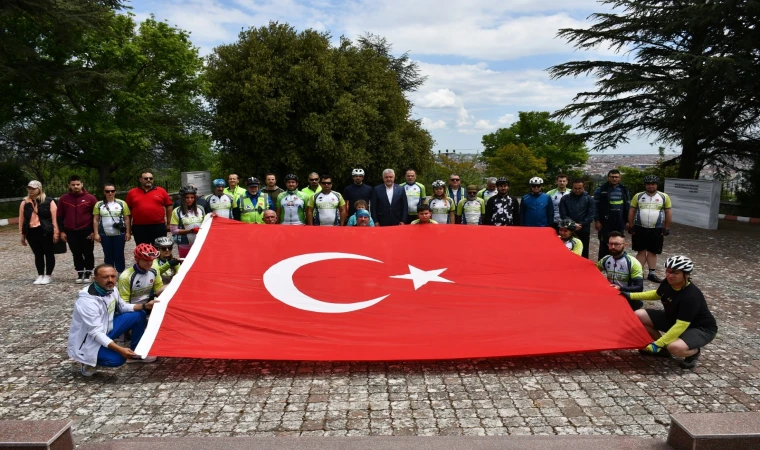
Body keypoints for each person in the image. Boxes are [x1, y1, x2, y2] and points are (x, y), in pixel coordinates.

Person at [622, 256, 717, 369]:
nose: (670, 275)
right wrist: (630, 295)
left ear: (686, 274)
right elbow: (657, 294)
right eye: (668, 271)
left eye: (675, 273)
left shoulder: (691, 296)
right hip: (674, 319)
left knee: (675, 348)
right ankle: (663, 350)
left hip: (700, 328)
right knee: (637, 315)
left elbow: (681, 325)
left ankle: (693, 352)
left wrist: (658, 343)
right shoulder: (668, 282)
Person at [68, 264, 159, 377]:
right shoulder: (87, 302)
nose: (110, 280)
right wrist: (120, 349)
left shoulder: (112, 289)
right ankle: (86, 361)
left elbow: (123, 307)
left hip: (107, 328)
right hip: (89, 340)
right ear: (95, 279)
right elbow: (95, 333)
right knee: (119, 359)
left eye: (113, 276)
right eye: (105, 277)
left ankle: (135, 351)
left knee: (139, 314)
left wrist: (145, 306)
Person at [628, 175, 672, 283]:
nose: (650, 186)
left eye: (653, 184)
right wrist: (630, 225)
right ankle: (638, 273)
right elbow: (632, 211)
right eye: (648, 184)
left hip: (656, 228)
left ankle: (652, 274)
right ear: (645, 185)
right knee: (641, 251)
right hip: (640, 227)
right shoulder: (638, 196)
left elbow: (668, 212)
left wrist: (666, 227)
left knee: (653, 252)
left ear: (656, 185)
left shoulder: (664, 196)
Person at [58, 175, 98, 283]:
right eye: (73, 185)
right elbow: (60, 216)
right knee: (76, 252)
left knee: (88, 252)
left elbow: (96, 216)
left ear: (82, 184)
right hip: (70, 230)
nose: (75, 186)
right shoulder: (64, 199)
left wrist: (94, 231)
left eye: (77, 184)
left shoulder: (90, 198)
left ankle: (89, 272)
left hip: (86, 229)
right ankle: (80, 273)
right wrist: (61, 231)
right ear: (69, 185)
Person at [19, 180, 59, 285]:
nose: (31, 190)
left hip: (45, 230)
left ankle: (48, 275)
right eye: (29, 188)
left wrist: (56, 232)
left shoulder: (49, 201)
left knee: (48, 253)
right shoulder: (24, 202)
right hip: (31, 231)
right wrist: (22, 235)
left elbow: (55, 218)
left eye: (33, 188)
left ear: (39, 189)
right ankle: (40, 274)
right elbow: (22, 220)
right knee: (38, 254)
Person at [597, 231, 643, 310]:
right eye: (610, 244)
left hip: (628, 299)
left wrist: (620, 288)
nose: (613, 247)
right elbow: (592, 271)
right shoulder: (605, 259)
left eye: (617, 244)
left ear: (624, 245)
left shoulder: (633, 262)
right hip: (610, 296)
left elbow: (639, 287)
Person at [125, 171, 172, 246]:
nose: (148, 180)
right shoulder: (132, 192)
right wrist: (129, 228)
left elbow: (169, 206)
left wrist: (169, 223)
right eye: (146, 178)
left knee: (159, 249)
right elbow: (127, 212)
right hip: (139, 227)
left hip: (158, 226)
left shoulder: (161, 191)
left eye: (151, 178)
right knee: (143, 251)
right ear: (140, 180)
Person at [93, 183, 131, 273]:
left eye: (112, 191)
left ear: (115, 192)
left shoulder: (122, 203)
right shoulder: (99, 204)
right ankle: (109, 272)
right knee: (108, 254)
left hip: (119, 233)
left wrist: (128, 232)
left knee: (119, 253)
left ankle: (120, 271)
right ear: (104, 192)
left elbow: (127, 219)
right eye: (107, 191)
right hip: (104, 233)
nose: (110, 193)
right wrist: (96, 233)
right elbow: (95, 219)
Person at [594, 169, 630, 259]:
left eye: (616, 177)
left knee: (618, 243)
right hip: (605, 222)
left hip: (619, 221)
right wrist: (597, 220)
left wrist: (628, 221)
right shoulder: (601, 189)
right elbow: (595, 206)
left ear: (620, 178)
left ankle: (617, 263)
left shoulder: (624, 189)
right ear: (608, 178)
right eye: (612, 177)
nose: (614, 179)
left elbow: (627, 206)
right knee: (604, 244)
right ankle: (602, 265)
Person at [559, 179, 595, 259]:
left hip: (584, 228)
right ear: (572, 188)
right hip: (568, 228)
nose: (577, 190)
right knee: (568, 249)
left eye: (579, 188)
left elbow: (590, 215)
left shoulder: (589, 199)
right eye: (575, 188)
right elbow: (563, 214)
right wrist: (573, 224)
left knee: (584, 251)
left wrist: (581, 224)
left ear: (583, 188)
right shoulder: (565, 198)